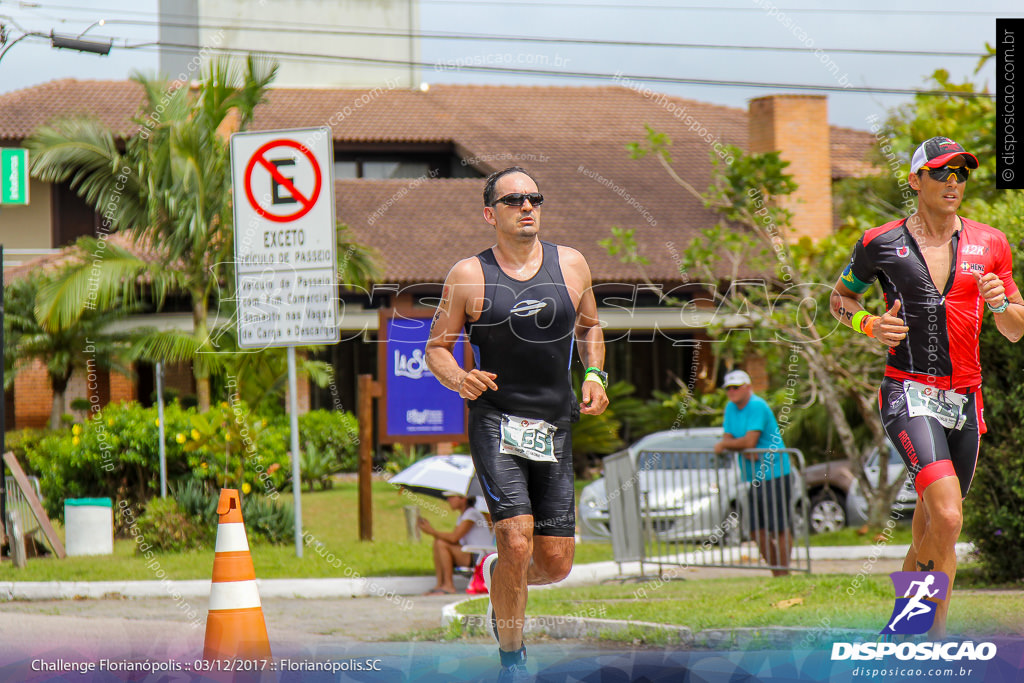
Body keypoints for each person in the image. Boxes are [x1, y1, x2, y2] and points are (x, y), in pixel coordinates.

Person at [830, 136, 1024, 638]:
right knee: (950, 517)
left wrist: (1001, 303)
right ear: (915, 180)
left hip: (966, 398)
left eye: (961, 173)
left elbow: (1016, 328)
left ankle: (904, 625)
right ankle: (932, 638)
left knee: (932, 526)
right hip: (908, 390)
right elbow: (839, 300)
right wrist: (868, 325)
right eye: (941, 173)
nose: (953, 182)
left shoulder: (992, 242)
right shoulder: (881, 242)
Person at [425, 166, 608, 681]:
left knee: (554, 563)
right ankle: (512, 657)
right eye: (513, 201)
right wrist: (460, 378)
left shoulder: (571, 265)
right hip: (496, 420)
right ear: (490, 214)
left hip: (554, 423)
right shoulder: (468, 275)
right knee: (517, 539)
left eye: (534, 198)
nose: (527, 207)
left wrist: (594, 373)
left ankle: (501, 577)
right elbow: (436, 348)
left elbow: (591, 326)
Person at [713, 369, 792, 577]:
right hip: (753, 476)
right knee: (756, 529)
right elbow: (730, 437)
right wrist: (736, 445)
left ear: (748, 387)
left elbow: (748, 442)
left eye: (736, 387)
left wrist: (731, 445)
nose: (732, 392)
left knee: (779, 526)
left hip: (775, 471)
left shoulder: (757, 405)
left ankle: (784, 572)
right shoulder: (730, 408)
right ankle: (778, 573)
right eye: (728, 388)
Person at [417, 492, 494, 596]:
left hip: (479, 556)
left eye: (452, 497)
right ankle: (440, 585)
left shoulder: (472, 514)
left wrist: (432, 531)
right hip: (471, 553)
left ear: (463, 499)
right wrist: (434, 533)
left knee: (441, 543)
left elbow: (454, 538)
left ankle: (448, 586)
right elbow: (455, 540)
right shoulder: (463, 516)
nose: (448, 500)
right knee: (438, 542)